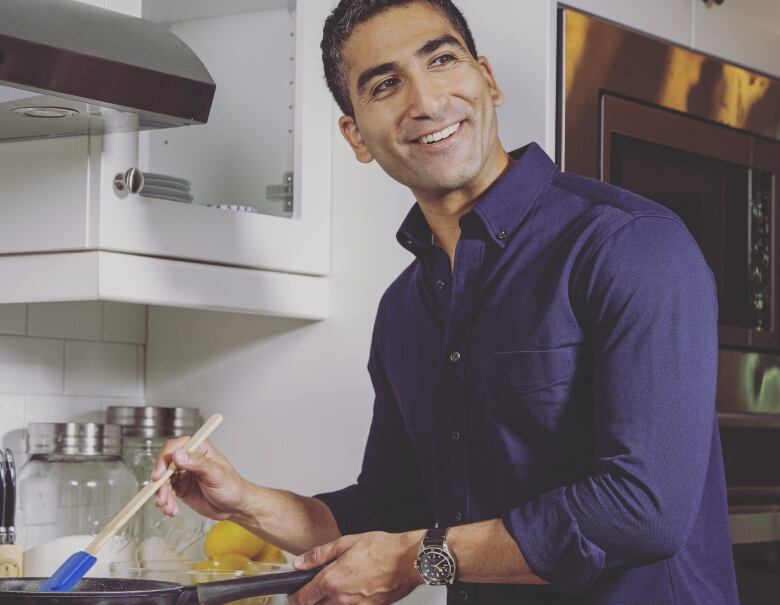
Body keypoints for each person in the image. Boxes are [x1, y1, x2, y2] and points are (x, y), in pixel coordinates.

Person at [152, 1, 739, 603]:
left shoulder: (629, 243)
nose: (427, 101)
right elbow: (392, 507)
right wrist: (245, 501)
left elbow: (643, 510)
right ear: (355, 134)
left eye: (441, 60)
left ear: (487, 79)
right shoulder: (404, 309)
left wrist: (417, 558)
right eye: (385, 84)